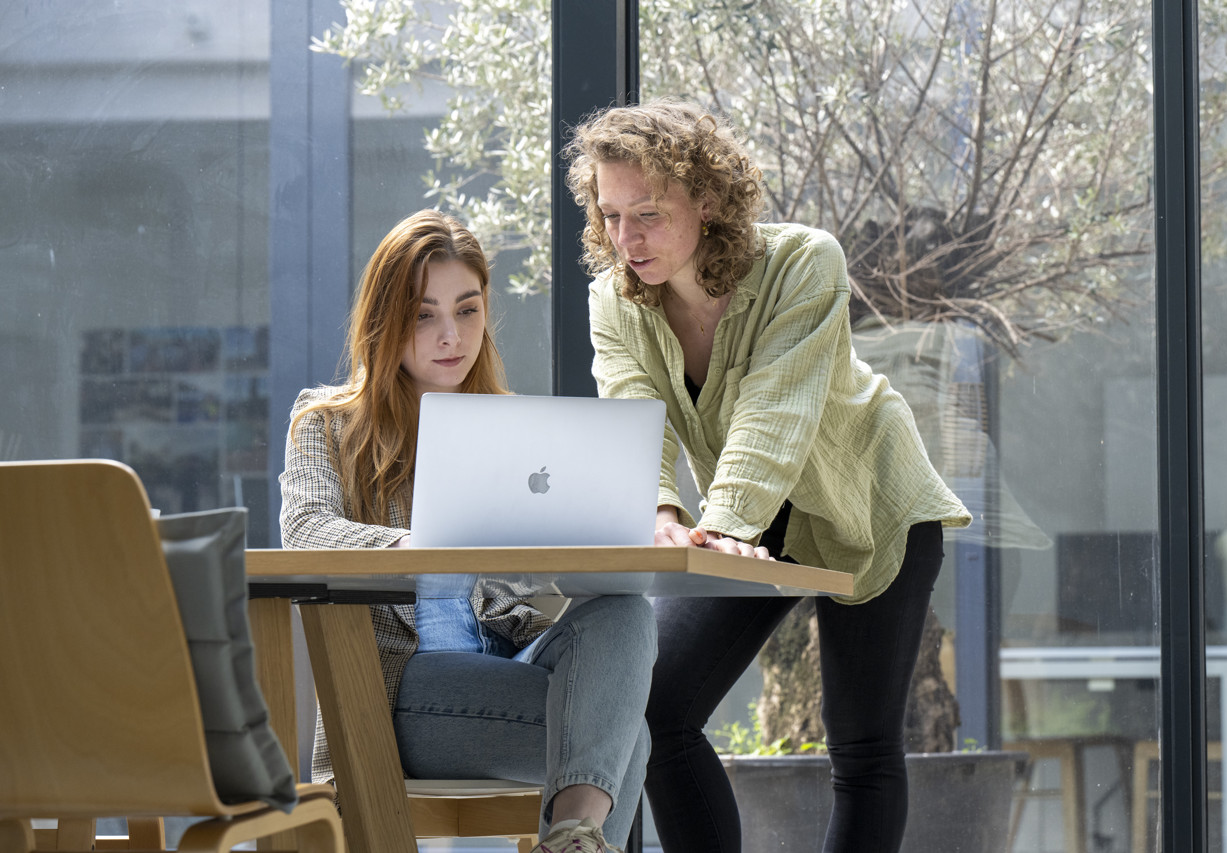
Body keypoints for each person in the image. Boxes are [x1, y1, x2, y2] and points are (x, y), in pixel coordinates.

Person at [565, 101, 973, 853]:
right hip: (754, 513)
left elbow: (774, 411)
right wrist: (659, 514)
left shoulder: (804, 261)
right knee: (656, 707)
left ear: (708, 198)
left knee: (861, 744)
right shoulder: (613, 303)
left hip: (870, 497)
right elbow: (632, 413)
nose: (627, 238)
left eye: (648, 213)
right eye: (612, 215)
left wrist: (719, 528)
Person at [278, 209, 655, 853]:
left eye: (468, 309)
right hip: (396, 689)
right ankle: (578, 838)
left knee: (626, 613)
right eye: (424, 314)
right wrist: (416, 546)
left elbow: (527, 602)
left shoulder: (514, 429)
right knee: (629, 739)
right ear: (384, 320)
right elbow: (305, 530)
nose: (450, 335)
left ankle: (572, 837)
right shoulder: (328, 424)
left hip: (506, 660)